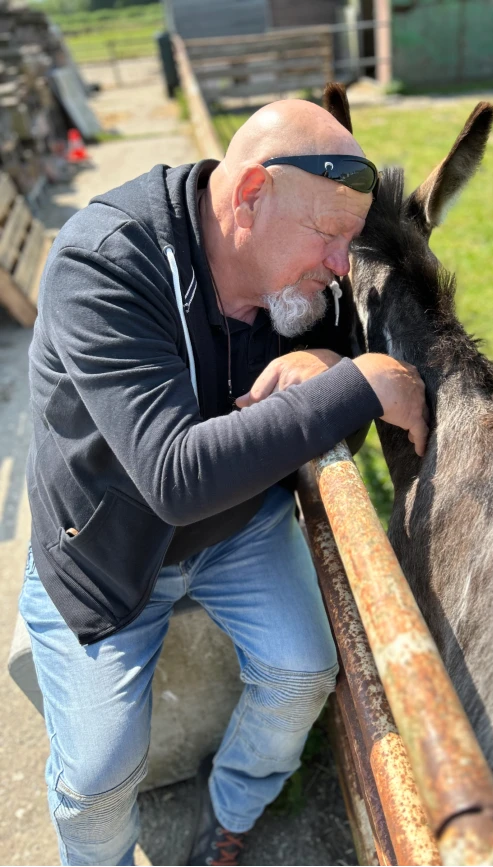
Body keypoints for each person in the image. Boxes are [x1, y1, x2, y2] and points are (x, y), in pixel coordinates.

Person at [20, 97, 428, 867]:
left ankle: (229, 812)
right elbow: (174, 475)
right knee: (99, 773)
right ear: (249, 196)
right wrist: (360, 383)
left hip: (239, 524)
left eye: (349, 241)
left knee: (304, 671)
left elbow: (326, 420)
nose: (342, 264)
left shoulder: (301, 282)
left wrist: (327, 363)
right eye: (329, 235)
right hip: (105, 552)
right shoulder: (103, 263)